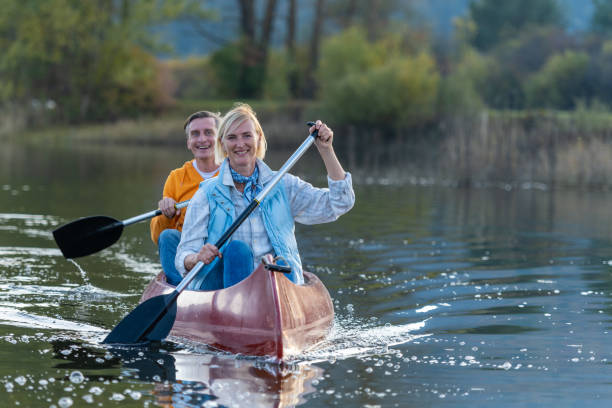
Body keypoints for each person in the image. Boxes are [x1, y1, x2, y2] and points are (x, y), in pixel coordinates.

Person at [175, 103, 355, 290]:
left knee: (273, 263)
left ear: (259, 138)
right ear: (222, 144)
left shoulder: (283, 185)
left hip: (276, 286)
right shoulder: (206, 195)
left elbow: (340, 203)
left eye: (247, 135)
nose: (240, 144)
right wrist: (196, 257)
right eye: (232, 137)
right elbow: (183, 256)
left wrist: (326, 150)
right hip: (224, 289)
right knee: (238, 251)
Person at [150, 111, 221, 285]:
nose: (202, 139)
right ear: (189, 142)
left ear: (220, 138)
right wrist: (165, 214)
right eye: (195, 134)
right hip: (188, 253)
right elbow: (157, 237)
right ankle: (179, 289)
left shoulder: (233, 171)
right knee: (167, 236)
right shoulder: (176, 177)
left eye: (209, 132)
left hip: (221, 248)